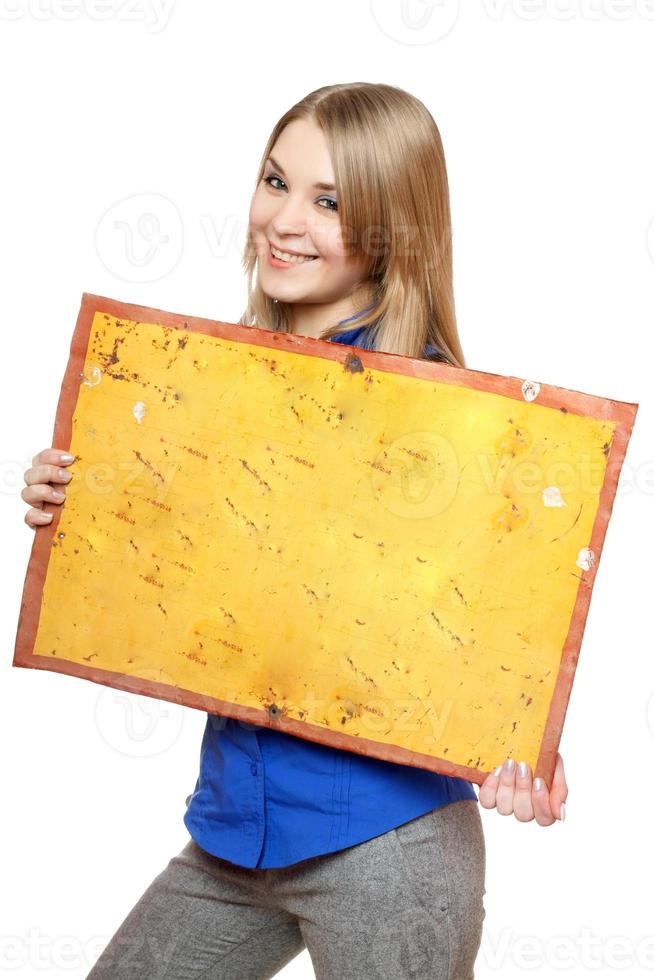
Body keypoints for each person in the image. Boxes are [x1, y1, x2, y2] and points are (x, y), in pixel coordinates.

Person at [22, 82, 568, 980]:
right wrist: (78, 506)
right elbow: (196, 581)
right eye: (276, 182)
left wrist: (525, 746)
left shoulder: (443, 426)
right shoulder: (211, 390)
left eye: (330, 202)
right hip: (234, 835)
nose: (284, 220)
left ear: (394, 228)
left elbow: (483, 614)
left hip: (390, 848)